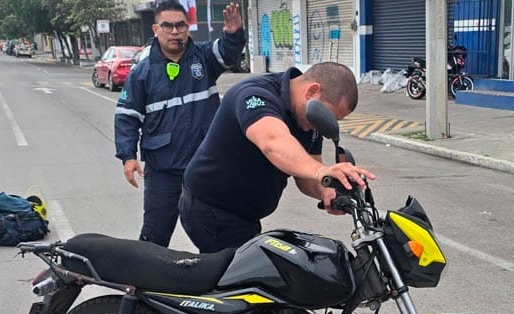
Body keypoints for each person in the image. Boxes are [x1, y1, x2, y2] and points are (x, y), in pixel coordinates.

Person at [178, 62, 377, 253]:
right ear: (311, 92)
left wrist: (328, 190)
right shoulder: (254, 95)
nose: (320, 125)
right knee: (245, 280)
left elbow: (308, 174)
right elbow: (273, 142)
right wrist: (322, 171)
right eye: (325, 116)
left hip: (244, 214)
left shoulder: (308, 120)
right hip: (212, 209)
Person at [114, 1, 245, 247]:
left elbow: (229, 52)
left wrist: (233, 32)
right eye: (168, 25)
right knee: (154, 236)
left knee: (216, 232)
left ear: (188, 28)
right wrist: (127, 156)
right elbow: (127, 116)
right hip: (163, 169)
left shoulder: (204, 58)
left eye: (180, 25)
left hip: (205, 167)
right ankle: (143, 282)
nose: (175, 31)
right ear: (156, 29)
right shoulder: (142, 73)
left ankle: (218, 281)